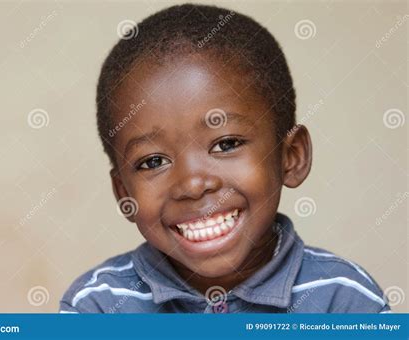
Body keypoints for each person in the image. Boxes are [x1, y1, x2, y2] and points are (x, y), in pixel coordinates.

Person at [59, 4, 390, 313]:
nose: (191, 183)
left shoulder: (344, 300)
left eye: (226, 143)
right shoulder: (98, 306)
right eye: (153, 162)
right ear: (123, 193)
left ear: (291, 156)